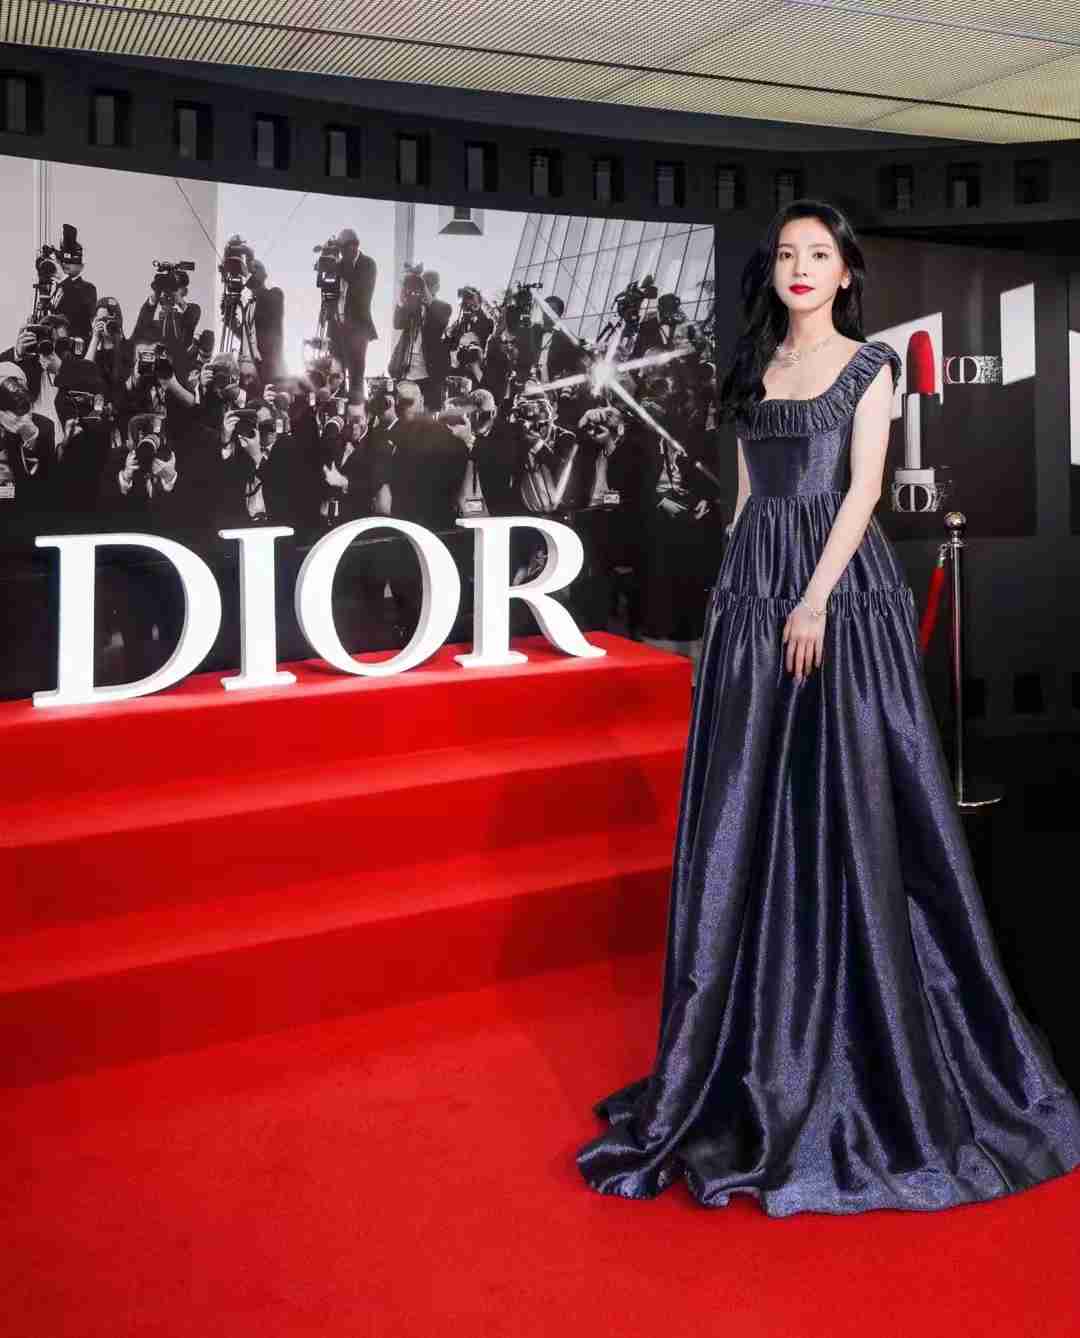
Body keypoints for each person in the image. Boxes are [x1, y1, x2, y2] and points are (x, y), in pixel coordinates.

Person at [576, 199, 1080, 1217]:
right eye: (787, 255)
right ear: (773, 272)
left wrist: (811, 599)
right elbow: (749, 498)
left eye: (819, 254)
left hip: (838, 597)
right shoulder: (755, 370)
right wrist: (737, 598)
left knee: (848, 799)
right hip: (754, 594)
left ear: (846, 272)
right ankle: (746, 1041)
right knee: (749, 807)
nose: (801, 267)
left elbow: (861, 492)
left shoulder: (870, 366)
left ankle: (867, 1041)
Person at [328, 228, 378, 399]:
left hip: (358, 329)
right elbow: (329, 292)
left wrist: (338, 266)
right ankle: (337, 408)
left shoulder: (368, 264)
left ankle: (356, 410)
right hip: (337, 327)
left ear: (354, 246)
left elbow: (359, 291)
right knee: (336, 375)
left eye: (343, 248)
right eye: (340, 249)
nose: (341, 253)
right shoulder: (339, 265)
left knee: (356, 374)